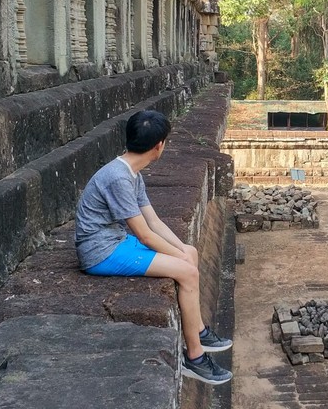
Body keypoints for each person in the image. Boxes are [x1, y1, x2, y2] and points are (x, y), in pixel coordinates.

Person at [75, 109, 233, 385]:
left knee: (191, 253)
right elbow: (145, 235)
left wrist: (183, 250)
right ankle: (195, 358)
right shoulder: (118, 177)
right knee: (187, 272)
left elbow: (154, 220)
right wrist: (180, 259)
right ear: (159, 145)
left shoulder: (132, 172)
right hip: (100, 252)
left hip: (116, 241)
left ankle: (198, 330)